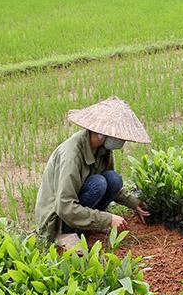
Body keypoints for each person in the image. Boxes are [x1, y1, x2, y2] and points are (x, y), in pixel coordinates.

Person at [34, 97, 150, 248]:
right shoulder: (72, 156)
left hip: (74, 205)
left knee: (113, 179)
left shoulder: (103, 149)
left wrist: (134, 203)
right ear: (101, 133)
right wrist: (107, 219)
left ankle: (84, 225)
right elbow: (65, 206)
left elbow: (114, 186)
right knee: (98, 183)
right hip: (57, 218)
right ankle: (65, 232)